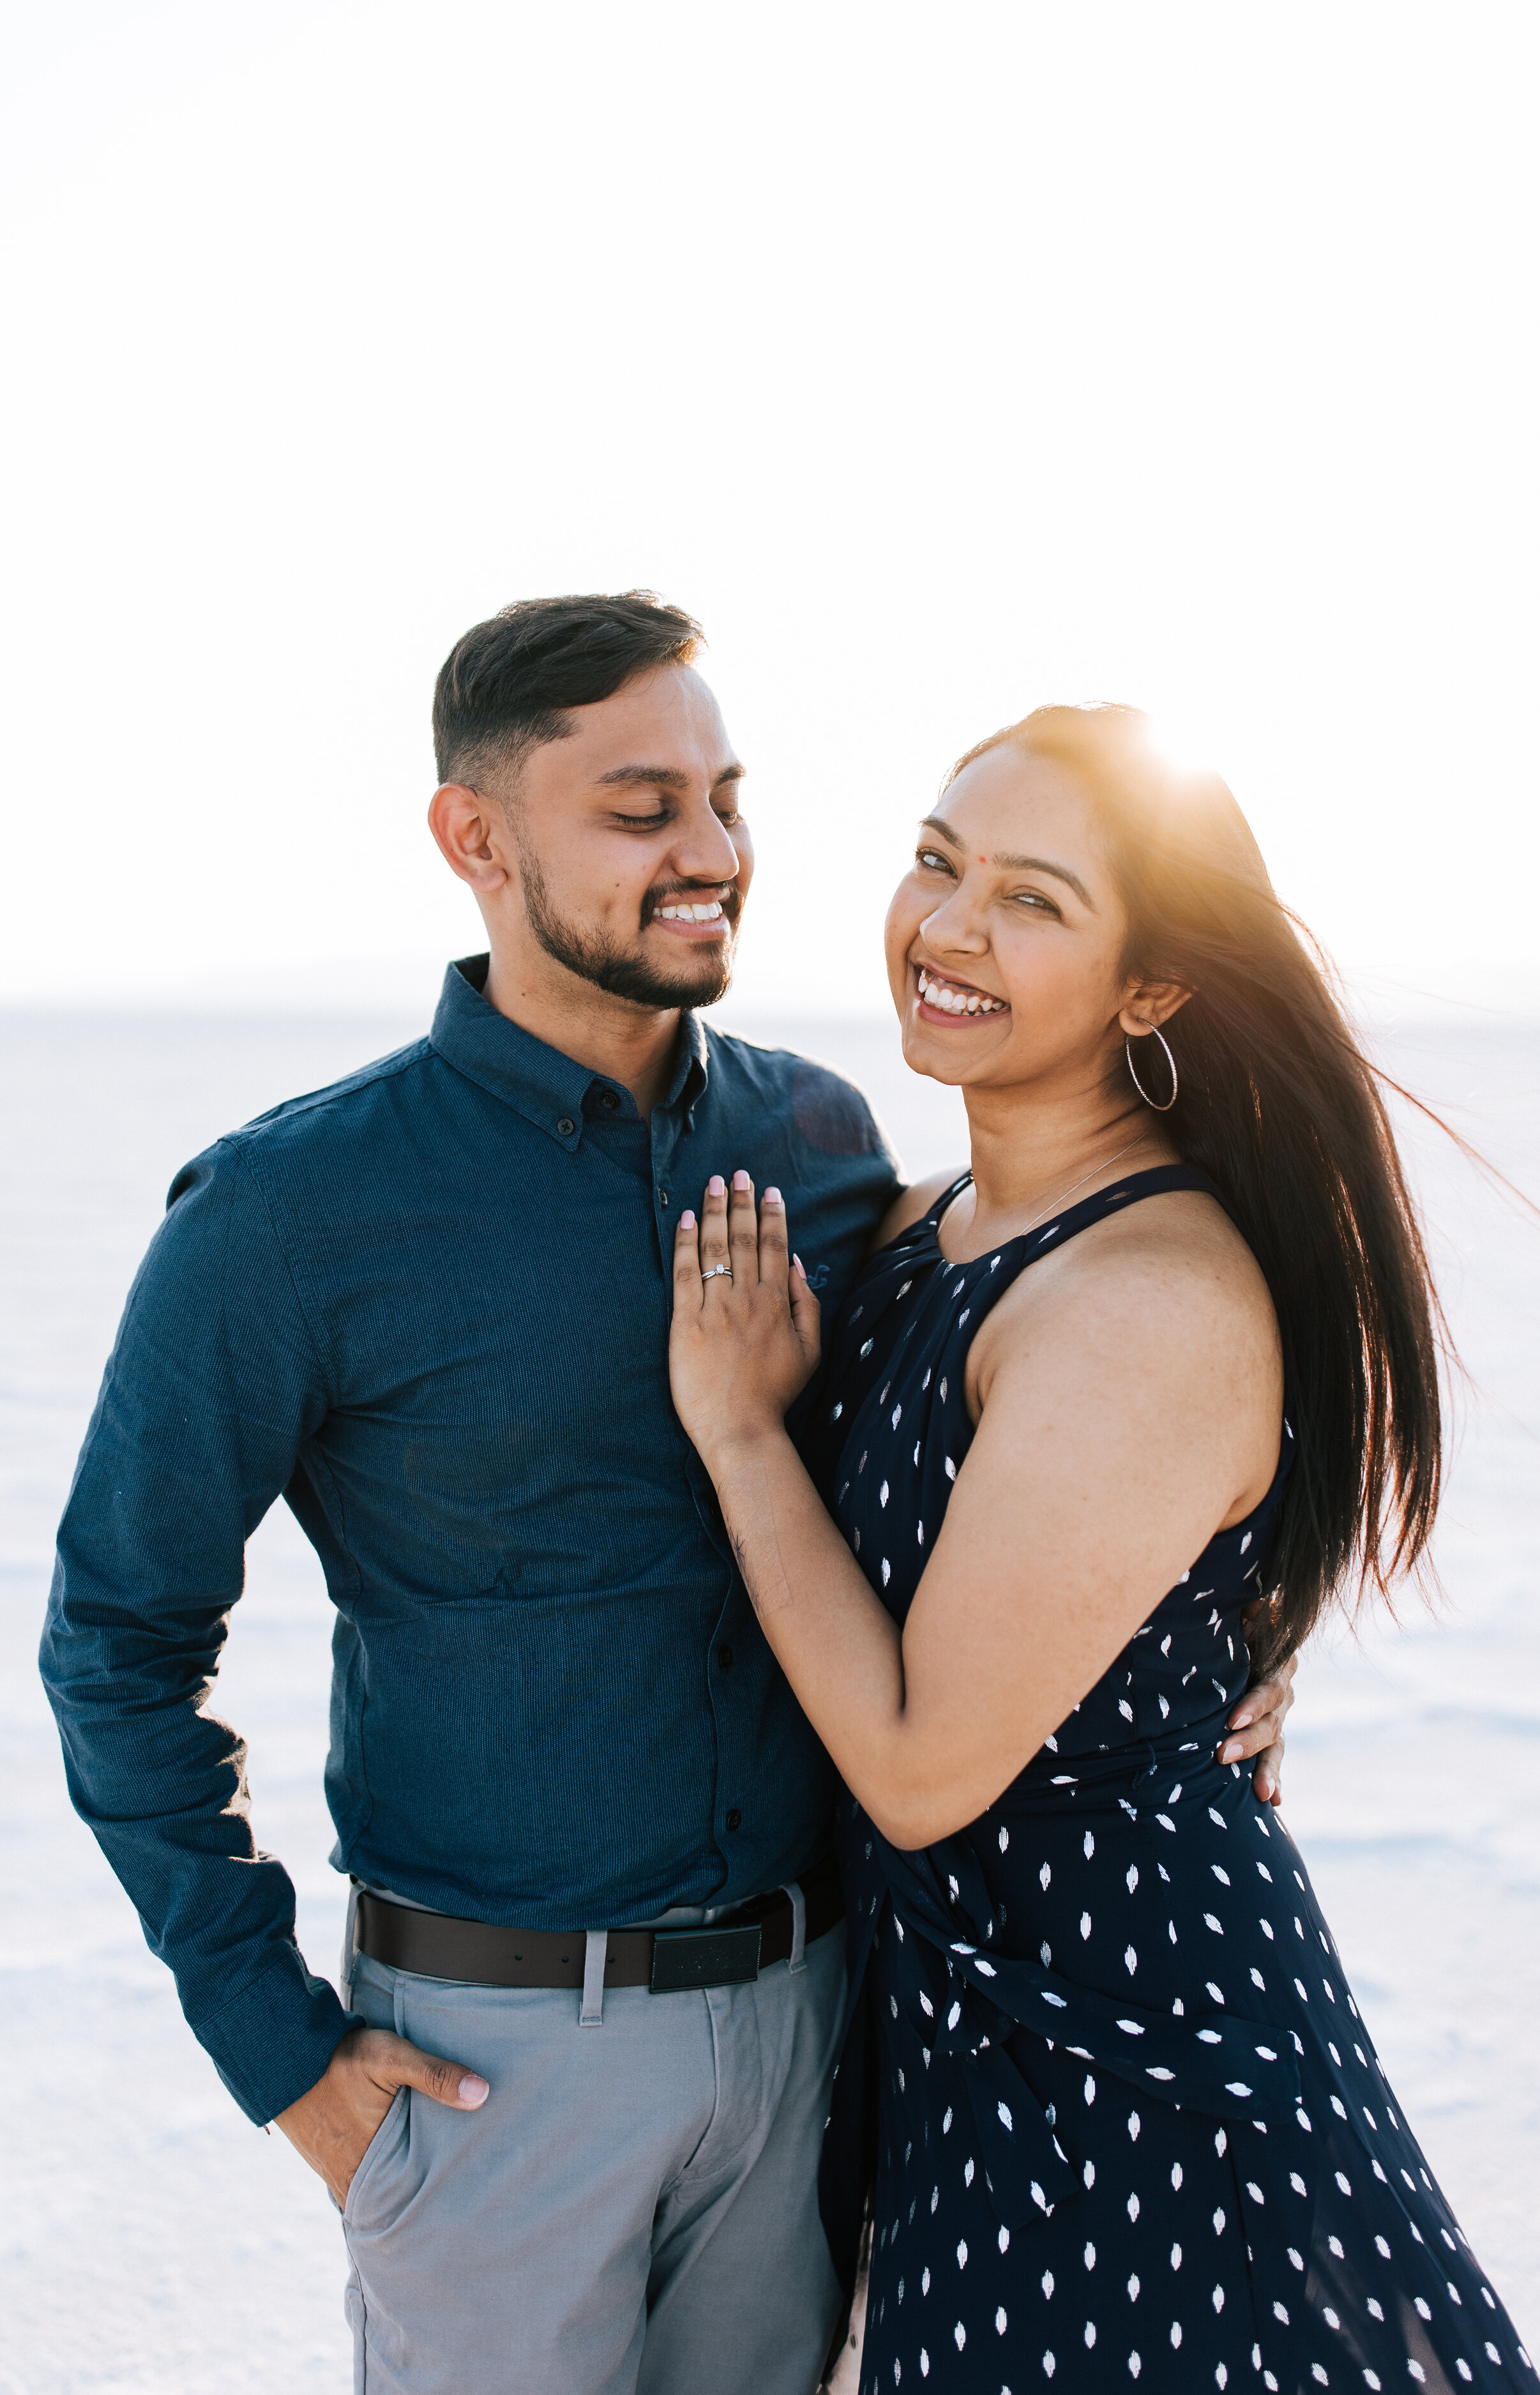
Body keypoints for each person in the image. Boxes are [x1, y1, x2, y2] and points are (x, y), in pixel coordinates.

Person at [40, 611, 1293, 2395]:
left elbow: (1050, 1437)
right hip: (492, 2067)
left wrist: (1215, 1647)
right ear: (476, 842)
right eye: (639, 810)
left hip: (818, 2034)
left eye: (722, 798)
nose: (709, 853)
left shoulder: (826, 1144)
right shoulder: (284, 1215)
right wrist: (278, 2053)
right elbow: (116, 1645)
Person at [666, 703, 1531, 2393]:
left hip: (1140, 2059)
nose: (949, 928)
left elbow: (920, 1768)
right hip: (965, 2038)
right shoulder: (929, 1229)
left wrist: (744, 1432)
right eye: (935, 863)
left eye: (1034, 900)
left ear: (1152, 987)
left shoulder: (1145, 1295)